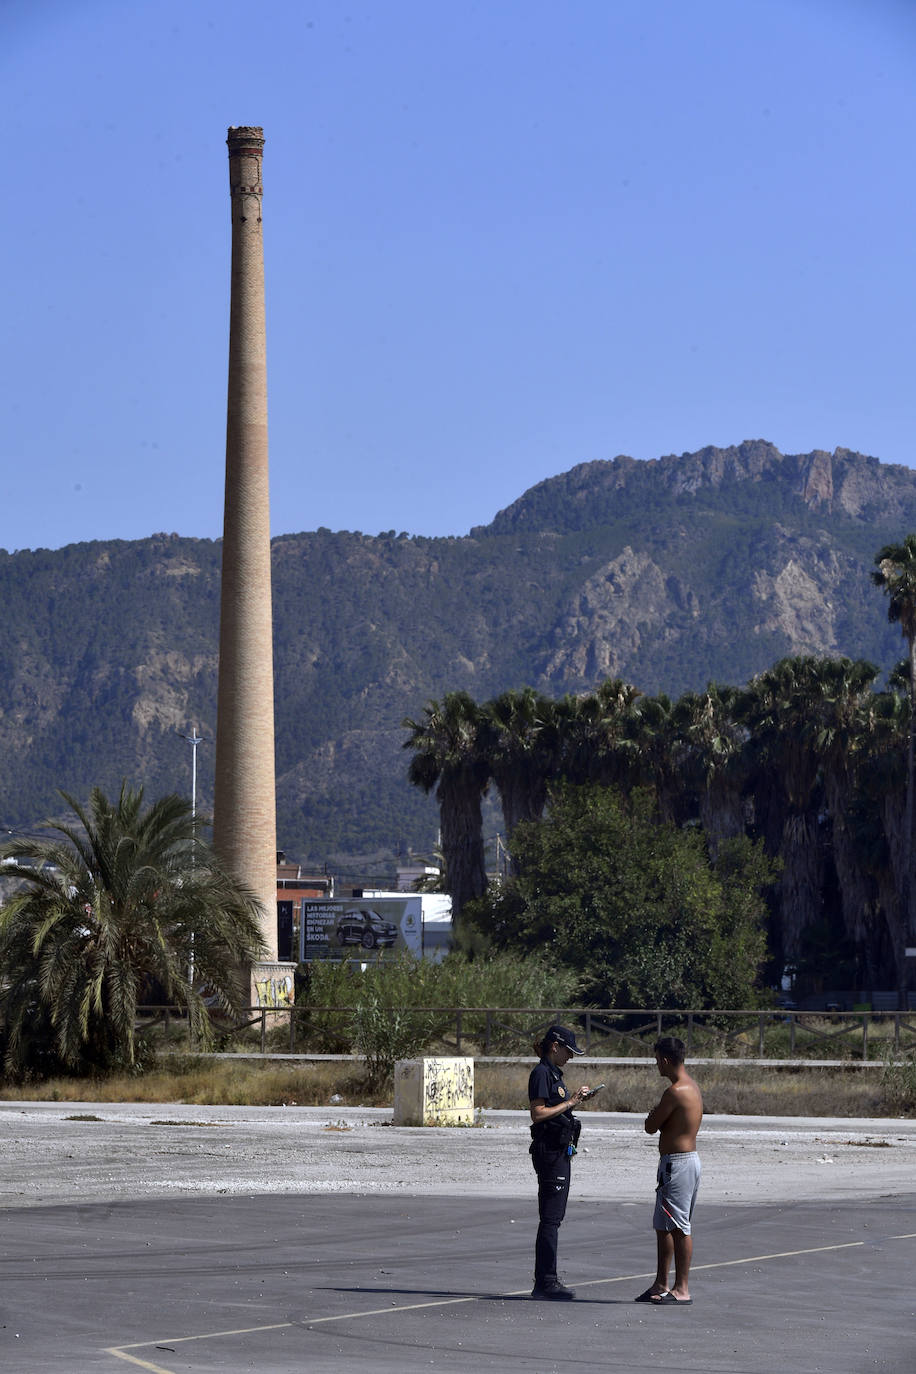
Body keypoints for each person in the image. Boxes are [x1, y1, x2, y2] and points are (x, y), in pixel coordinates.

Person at [634, 1035, 703, 1307]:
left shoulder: (675, 1091)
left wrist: (654, 1117)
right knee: (664, 1225)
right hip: (679, 1163)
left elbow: (651, 1125)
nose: (656, 1066)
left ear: (664, 1060)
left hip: (679, 1163)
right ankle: (662, 1283)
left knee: (679, 1226)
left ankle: (682, 1288)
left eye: (656, 1060)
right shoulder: (691, 1086)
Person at [528, 1024, 590, 1300]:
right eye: (568, 1051)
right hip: (549, 1151)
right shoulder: (541, 1073)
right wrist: (570, 1102)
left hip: (559, 1149)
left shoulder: (552, 1073)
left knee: (554, 1218)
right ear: (555, 1046)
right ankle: (546, 1281)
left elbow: (556, 1108)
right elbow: (538, 1113)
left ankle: (547, 1278)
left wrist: (573, 1102)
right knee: (551, 1219)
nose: (570, 1057)